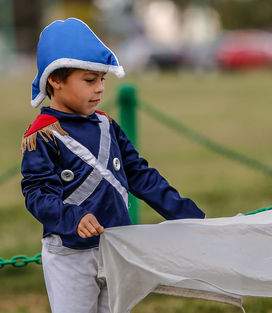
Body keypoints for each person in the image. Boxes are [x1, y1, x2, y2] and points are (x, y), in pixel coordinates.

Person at [20, 18, 205, 313]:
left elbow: (141, 176)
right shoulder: (42, 135)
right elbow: (37, 194)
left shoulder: (108, 125)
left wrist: (186, 215)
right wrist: (73, 218)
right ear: (55, 79)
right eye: (89, 80)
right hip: (71, 255)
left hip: (117, 249)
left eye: (102, 79)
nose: (100, 89)